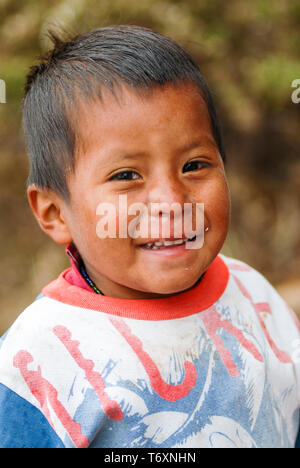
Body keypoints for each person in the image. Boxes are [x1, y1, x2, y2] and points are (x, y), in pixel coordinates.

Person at [0, 25, 299, 449]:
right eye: (126, 176)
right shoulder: (38, 366)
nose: (172, 200)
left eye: (194, 165)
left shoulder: (256, 298)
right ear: (55, 213)